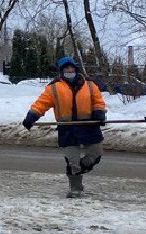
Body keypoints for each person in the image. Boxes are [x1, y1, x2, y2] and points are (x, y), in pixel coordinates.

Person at [22, 56, 107, 198]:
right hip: (67, 128)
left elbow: (98, 101)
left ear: (76, 68)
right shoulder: (53, 88)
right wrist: (32, 116)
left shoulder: (90, 85)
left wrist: (99, 112)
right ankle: (75, 189)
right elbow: (41, 104)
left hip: (89, 125)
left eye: (71, 67)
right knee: (73, 161)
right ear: (61, 71)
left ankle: (79, 169)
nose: (69, 70)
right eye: (66, 68)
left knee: (96, 153)